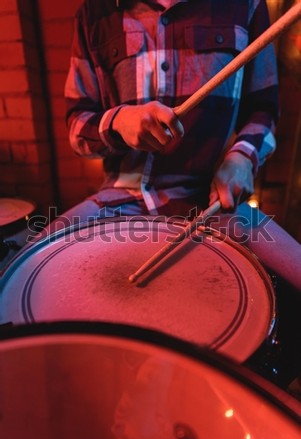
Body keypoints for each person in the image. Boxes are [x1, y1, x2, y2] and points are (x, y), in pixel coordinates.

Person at [55, 0, 301, 292]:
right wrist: (118, 122)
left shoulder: (245, 5)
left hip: (209, 201)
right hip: (119, 196)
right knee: (28, 271)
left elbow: (263, 110)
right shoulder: (94, 14)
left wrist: (242, 158)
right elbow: (77, 127)